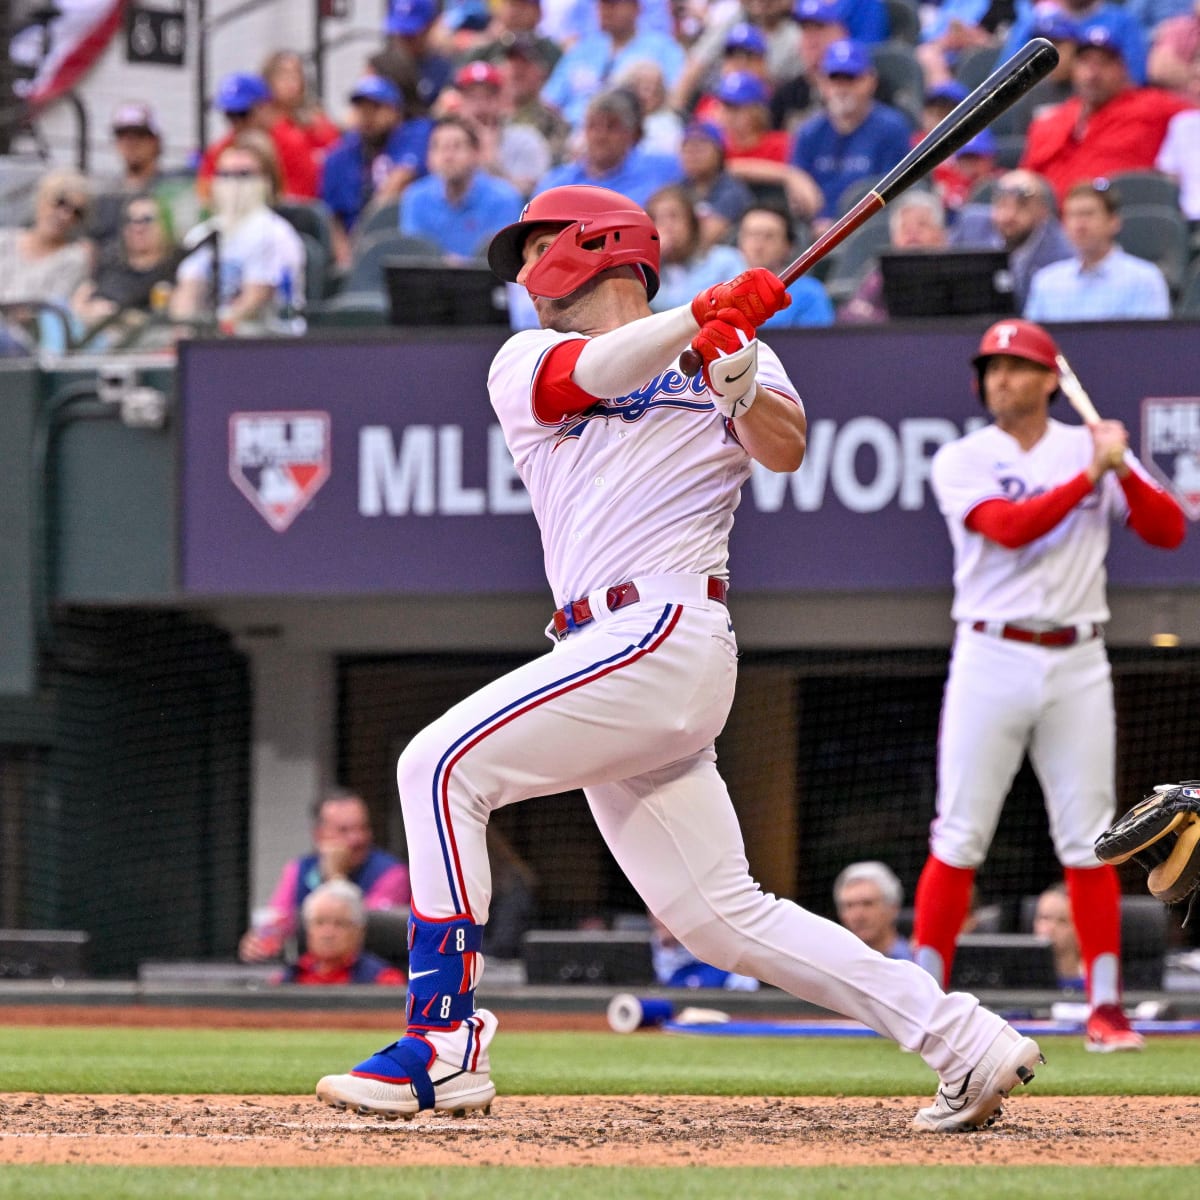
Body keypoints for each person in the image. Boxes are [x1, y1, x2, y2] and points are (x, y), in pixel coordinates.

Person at [314, 182, 1047, 1132]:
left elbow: (784, 450)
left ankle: (444, 1045)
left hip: (665, 626)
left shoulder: (734, 342)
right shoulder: (527, 357)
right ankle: (965, 1040)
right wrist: (694, 323)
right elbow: (593, 374)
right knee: (717, 916)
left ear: (597, 245)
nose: (527, 279)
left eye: (536, 252)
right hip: (605, 644)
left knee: (437, 765)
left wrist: (736, 378)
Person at [911, 316, 1185, 1052]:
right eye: (991, 369)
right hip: (990, 652)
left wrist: (1122, 466)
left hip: (1075, 656)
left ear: (1049, 381)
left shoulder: (1088, 444)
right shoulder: (964, 457)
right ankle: (922, 1004)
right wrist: (1093, 475)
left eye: (1015, 367)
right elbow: (1009, 527)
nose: (998, 379)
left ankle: (1105, 1008)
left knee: (1092, 839)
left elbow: (1167, 531)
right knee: (960, 832)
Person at [1020, 27, 1190, 206]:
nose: (1093, 74)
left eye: (1104, 63)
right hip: (1054, 226)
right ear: (1074, 68)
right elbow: (1025, 179)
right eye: (1085, 62)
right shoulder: (1049, 122)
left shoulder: (1153, 106)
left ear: (1123, 68)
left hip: (1125, 221)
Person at [240, 788, 411, 963]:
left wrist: (335, 877)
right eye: (344, 830)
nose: (357, 839)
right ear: (319, 835)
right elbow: (278, 922)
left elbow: (363, 931)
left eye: (363, 828)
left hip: (370, 980)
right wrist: (258, 942)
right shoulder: (299, 869)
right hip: (310, 979)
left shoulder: (391, 872)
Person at [171, 132, 307, 336]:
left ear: (267, 180)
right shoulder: (203, 234)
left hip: (267, 343)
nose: (233, 183)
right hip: (210, 343)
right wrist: (183, 332)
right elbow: (187, 292)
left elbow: (254, 300)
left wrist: (213, 332)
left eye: (244, 174)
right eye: (225, 175)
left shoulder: (276, 234)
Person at [790, 40, 913, 232]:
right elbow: (799, 187)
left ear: (871, 81)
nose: (841, 88)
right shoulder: (809, 131)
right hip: (816, 232)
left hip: (870, 230)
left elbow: (893, 194)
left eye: (851, 79)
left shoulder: (891, 128)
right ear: (822, 83)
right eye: (834, 79)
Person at [320, 75, 432, 267]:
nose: (367, 115)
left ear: (395, 111)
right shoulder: (339, 155)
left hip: (404, 240)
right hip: (355, 250)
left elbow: (398, 182)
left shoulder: (415, 134)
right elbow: (332, 217)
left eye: (376, 107)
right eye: (361, 108)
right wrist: (346, 259)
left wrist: (361, 238)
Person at [1024, 179, 1172, 321]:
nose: (1079, 225)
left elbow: (1152, 342)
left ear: (1114, 222)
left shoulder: (1145, 279)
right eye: (1072, 215)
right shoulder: (1046, 282)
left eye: (1088, 214)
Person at [539, 0, 686, 130]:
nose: (605, 11)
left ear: (635, 8)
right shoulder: (584, 48)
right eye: (602, 4)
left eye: (613, 4)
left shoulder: (663, 49)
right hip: (570, 131)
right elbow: (550, 99)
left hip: (632, 133)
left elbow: (672, 99)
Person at [399, 115, 525, 259]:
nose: (447, 156)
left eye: (457, 147)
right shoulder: (415, 197)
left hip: (488, 279)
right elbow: (415, 253)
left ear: (476, 153)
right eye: (438, 147)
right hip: (430, 280)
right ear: (429, 157)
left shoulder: (504, 198)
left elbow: (506, 258)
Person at [949, 169, 1075, 312]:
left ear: (1043, 211)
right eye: (1001, 204)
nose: (1008, 215)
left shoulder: (1063, 253)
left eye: (1021, 205)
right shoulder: (971, 227)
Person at [535, 88, 683, 206]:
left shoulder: (661, 169)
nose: (601, 136)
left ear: (632, 134)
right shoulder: (556, 184)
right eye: (593, 126)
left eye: (612, 127)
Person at [87, 102, 197, 253]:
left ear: (155, 141)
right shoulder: (105, 197)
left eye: (139, 135)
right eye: (123, 136)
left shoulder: (172, 188)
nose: (130, 143)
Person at [196, 71, 320, 204]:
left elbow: (303, 202)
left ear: (264, 107)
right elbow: (204, 197)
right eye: (230, 114)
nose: (236, 122)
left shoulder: (292, 144)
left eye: (242, 113)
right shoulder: (220, 149)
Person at [71, 193, 180, 339]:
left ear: (164, 224)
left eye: (146, 220)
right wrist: (86, 312)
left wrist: (117, 317)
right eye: (130, 221)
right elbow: (79, 299)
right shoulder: (110, 261)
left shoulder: (175, 268)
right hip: (87, 336)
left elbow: (171, 322)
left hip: (136, 346)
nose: (137, 227)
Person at [838, 189, 947, 324]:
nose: (912, 234)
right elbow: (851, 311)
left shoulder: (956, 270)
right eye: (905, 228)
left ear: (941, 235)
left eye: (922, 225)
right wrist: (891, 321)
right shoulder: (881, 273)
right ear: (894, 239)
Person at [275, 880, 408, 986]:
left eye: (339, 923)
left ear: (359, 931)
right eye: (319, 923)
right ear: (307, 929)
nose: (328, 933)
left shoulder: (384, 981)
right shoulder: (288, 979)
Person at [0, 168, 93, 310]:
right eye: (60, 203)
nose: (65, 215)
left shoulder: (73, 258)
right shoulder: (4, 240)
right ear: (41, 200)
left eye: (77, 212)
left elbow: (47, 310)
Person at [646, 184, 747, 310]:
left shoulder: (725, 260)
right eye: (657, 219)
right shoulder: (647, 273)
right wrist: (652, 260)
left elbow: (741, 304)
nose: (667, 226)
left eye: (673, 216)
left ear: (692, 223)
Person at [735, 201, 835, 326]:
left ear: (789, 246)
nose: (758, 245)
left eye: (769, 236)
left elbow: (817, 343)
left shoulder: (810, 293)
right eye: (751, 235)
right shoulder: (718, 294)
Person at [680, 120, 756, 249]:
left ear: (719, 153)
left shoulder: (732, 191)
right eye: (687, 149)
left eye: (700, 148)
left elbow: (707, 237)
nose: (692, 155)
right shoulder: (678, 188)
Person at [649, 913, 761, 989]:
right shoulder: (660, 942)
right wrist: (668, 947)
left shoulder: (712, 933)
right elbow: (666, 981)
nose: (658, 918)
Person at [832, 861, 913, 960]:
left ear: (893, 908)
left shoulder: (920, 961)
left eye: (867, 904)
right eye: (849, 906)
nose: (857, 916)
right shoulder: (834, 964)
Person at [1032, 882, 1085, 991]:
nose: (1051, 928)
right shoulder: (1020, 983)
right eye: (1044, 918)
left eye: (1062, 921)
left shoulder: (1097, 985)